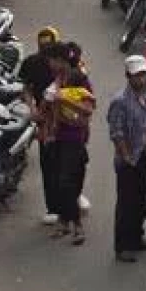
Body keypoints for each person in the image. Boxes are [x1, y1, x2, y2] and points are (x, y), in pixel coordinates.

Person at [108, 56, 146, 263]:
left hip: (144, 155)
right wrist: (127, 156)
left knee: (141, 200)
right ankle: (122, 246)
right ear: (128, 76)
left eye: (143, 74)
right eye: (137, 75)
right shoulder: (120, 101)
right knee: (126, 205)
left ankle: (137, 238)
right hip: (129, 159)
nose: (141, 79)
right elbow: (116, 132)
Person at [43, 43, 95, 245]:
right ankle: (65, 222)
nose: (50, 64)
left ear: (61, 61)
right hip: (57, 137)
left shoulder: (79, 79)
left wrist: (62, 98)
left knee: (68, 182)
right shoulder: (57, 80)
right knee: (58, 182)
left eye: (52, 60)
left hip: (74, 138)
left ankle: (77, 226)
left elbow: (88, 109)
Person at [19, 26, 62, 225]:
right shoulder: (31, 63)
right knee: (49, 163)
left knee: (69, 161)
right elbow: (26, 88)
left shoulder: (67, 64)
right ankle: (53, 206)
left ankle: (71, 198)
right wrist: (32, 109)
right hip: (44, 121)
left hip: (65, 119)